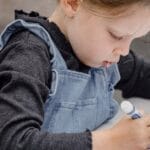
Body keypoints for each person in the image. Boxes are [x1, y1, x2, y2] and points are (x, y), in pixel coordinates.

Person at [0, 0, 150, 149]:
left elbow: (144, 77)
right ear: (73, 3)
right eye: (117, 35)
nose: (124, 50)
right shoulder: (28, 55)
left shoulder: (105, 56)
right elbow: (13, 140)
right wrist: (112, 141)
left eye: (133, 38)